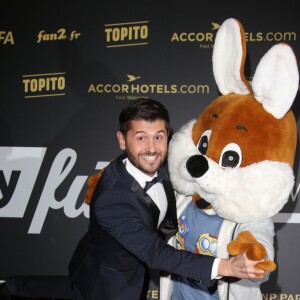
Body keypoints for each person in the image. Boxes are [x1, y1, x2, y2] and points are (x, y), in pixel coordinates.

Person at [68, 98, 265, 300]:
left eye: (158, 137)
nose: (152, 149)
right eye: (141, 138)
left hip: (140, 269)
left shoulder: (166, 165)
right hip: (109, 282)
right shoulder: (111, 199)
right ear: (122, 139)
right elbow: (155, 252)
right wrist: (226, 266)